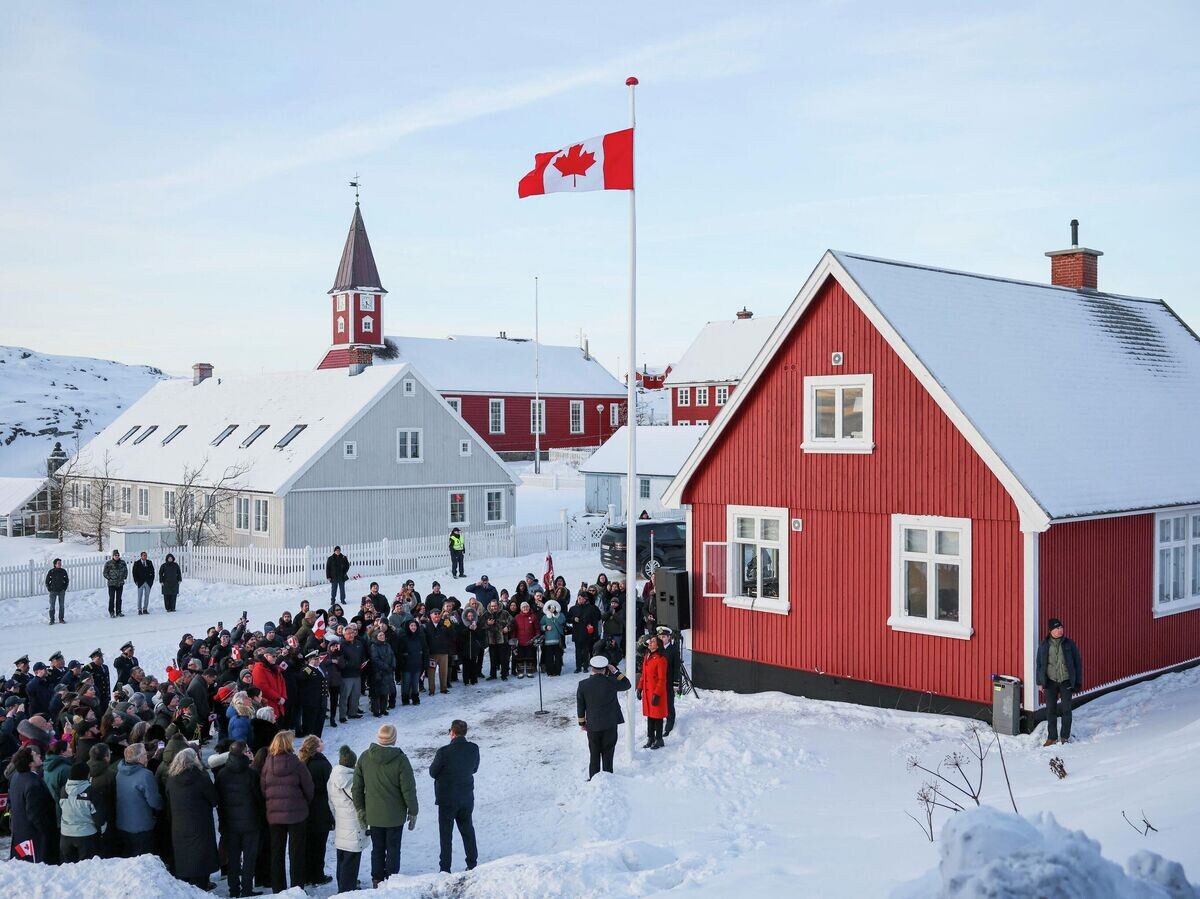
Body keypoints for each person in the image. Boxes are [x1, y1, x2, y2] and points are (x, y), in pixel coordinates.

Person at [353, 723, 418, 888]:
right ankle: (391, 879)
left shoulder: (365, 757)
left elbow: (357, 788)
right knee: (393, 848)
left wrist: (360, 809)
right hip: (395, 815)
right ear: (394, 739)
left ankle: (377, 879)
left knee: (377, 848)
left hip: (374, 814)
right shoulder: (401, 760)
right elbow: (408, 789)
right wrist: (413, 810)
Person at [260, 730, 314, 893]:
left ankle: (278, 888)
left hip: (274, 815)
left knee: (277, 852)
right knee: (296, 852)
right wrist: (304, 803)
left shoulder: (267, 764)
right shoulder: (297, 763)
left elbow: (263, 789)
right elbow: (308, 787)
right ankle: (297, 888)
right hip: (297, 814)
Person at [165, 747, 219, 890]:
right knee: (201, 855)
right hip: (200, 823)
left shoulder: (171, 779)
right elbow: (214, 799)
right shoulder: (201, 777)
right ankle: (202, 884)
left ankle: (187, 886)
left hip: (179, 824)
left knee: (184, 854)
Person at [429, 719, 479, 873]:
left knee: (446, 835)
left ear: (452, 732)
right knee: (467, 830)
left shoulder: (444, 752)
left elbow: (433, 772)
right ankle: (472, 862)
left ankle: (445, 868)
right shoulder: (473, 748)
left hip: (447, 799)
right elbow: (475, 768)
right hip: (466, 796)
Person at [215, 740, 262, 899]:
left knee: (233, 858)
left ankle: (233, 890)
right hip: (250, 822)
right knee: (249, 858)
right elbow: (258, 798)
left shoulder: (222, 774)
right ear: (242, 753)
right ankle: (247, 889)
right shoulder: (252, 774)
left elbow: (219, 801)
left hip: (229, 824)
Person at [576, 654, 632, 780]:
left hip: (593, 725)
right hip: (610, 724)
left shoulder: (583, 685)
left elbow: (581, 706)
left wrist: (582, 723)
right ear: (605, 668)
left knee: (594, 754)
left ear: (592, 668)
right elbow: (627, 684)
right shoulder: (611, 682)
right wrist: (615, 671)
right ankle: (608, 778)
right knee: (608, 753)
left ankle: (594, 779)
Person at [1035, 617, 1083, 747]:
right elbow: (1039, 664)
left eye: (1061, 627)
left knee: (1066, 710)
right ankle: (1052, 737)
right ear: (1050, 630)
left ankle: (1064, 737)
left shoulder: (1069, 644)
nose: (1060, 630)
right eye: (1057, 628)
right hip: (1050, 681)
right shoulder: (1044, 645)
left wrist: (1077, 682)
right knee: (1050, 710)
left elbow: (1077, 663)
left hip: (1065, 681)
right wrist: (1039, 682)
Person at [9, 745, 58, 863]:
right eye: (35, 755)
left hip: (20, 833)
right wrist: (47, 832)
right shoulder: (32, 784)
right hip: (35, 838)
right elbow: (35, 814)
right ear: (30, 763)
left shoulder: (16, 777)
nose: (39, 755)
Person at [330, 745, 368, 894]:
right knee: (351, 858)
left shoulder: (333, 776)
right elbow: (360, 798)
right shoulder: (351, 780)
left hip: (341, 821)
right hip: (353, 824)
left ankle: (343, 885)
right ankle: (347, 891)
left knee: (342, 857)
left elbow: (330, 801)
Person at [299, 735, 334, 887]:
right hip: (321, 809)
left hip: (305, 809)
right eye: (320, 741)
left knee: (307, 844)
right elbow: (331, 787)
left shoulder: (302, 763)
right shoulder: (323, 764)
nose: (323, 742)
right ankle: (317, 875)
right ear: (317, 747)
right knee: (319, 845)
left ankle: (306, 875)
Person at [116, 742, 161, 857]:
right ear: (140, 758)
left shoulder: (119, 773)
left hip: (122, 824)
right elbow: (154, 802)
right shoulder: (145, 775)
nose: (147, 757)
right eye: (145, 754)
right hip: (142, 826)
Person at [59, 760, 101, 862]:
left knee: (68, 870)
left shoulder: (63, 790)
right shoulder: (91, 791)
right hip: (86, 836)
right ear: (86, 775)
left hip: (65, 835)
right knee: (87, 869)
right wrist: (102, 830)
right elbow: (98, 815)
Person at [638, 635, 669, 749]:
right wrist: (640, 687)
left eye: (653, 641)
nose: (650, 643)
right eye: (650, 641)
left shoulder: (661, 659)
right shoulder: (647, 656)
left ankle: (659, 739)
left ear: (658, 644)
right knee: (650, 717)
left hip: (656, 693)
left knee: (657, 717)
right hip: (647, 692)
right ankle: (650, 738)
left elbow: (662, 679)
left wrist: (657, 694)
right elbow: (643, 675)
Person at [567, 592, 602, 673]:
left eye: (581, 598)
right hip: (577, 633)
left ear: (585, 599)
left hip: (587, 633)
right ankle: (578, 667)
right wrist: (573, 619)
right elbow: (567, 619)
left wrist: (595, 633)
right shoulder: (573, 608)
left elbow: (595, 620)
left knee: (586, 650)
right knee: (578, 651)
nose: (579, 599)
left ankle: (585, 666)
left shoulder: (591, 608)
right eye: (578, 597)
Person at [367, 627, 397, 717]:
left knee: (385, 692)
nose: (382, 636)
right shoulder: (374, 646)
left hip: (388, 672)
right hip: (378, 673)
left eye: (383, 635)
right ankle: (376, 711)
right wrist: (385, 666)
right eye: (380, 635)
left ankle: (383, 709)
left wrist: (393, 665)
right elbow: (375, 659)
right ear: (376, 637)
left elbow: (392, 655)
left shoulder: (387, 645)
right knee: (376, 693)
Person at [424, 609, 454, 696]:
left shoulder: (444, 623)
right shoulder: (427, 626)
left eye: (438, 614)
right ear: (430, 615)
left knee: (443, 672)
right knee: (431, 673)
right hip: (432, 653)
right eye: (435, 614)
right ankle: (431, 690)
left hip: (443, 652)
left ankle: (443, 688)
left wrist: (448, 621)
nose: (437, 615)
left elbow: (452, 634)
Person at [658, 626, 681, 737]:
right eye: (660, 636)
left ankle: (670, 721)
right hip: (659, 682)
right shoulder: (657, 649)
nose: (661, 638)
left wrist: (675, 683)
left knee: (669, 702)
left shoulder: (673, 650)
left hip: (669, 681)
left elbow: (676, 668)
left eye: (663, 637)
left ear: (668, 637)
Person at [483, 600, 512, 681]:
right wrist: (487, 624)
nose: (494, 608)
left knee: (503, 658)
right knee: (493, 659)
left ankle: (504, 675)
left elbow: (512, 622)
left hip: (502, 639)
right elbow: (481, 624)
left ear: (498, 606)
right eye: (492, 606)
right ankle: (493, 675)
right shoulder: (486, 614)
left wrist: (507, 628)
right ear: (490, 606)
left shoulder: (505, 613)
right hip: (491, 640)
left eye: (495, 606)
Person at [511, 602, 540, 678]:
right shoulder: (517, 617)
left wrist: (537, 636)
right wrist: (513, 640)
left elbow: (537, 628)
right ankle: (520, 672)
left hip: (530, 641)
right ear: (521, 608)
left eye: (526, 607)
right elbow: (514, 630)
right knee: (520, 657)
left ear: (529, 607)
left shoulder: (533, 616)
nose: (525, 608)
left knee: (529, 656)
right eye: (523, 607)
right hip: (520, 641)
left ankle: (529, 671)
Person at [540, 600, 567, 676]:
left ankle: (558, 671)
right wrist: (545, 627)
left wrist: (555, 613)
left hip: (558, 640)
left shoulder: (560, 615)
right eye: (550, 607)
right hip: (548, 641)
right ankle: (550, 671)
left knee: (558, 657)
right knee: (549, 657)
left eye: (553, 607)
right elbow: (540, 626)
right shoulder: (545, 617)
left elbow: (562, 621)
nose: (551, 609)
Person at [103, 549, 128, 618]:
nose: (117, 556)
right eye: (115, 555)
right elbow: (105, 573)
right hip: (112, 584)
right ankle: (111, 612)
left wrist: (124, 577)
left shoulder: (122, 563)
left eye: (118, 555)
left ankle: (118, 611)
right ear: (113, 556)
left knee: (119, 598)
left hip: (120, 583)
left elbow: (126, 570)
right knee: (112, 598)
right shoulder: (109, 563)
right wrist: (109, 578)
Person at [46, 558, 69, 626]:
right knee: (52, 606)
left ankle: (61, 619)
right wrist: (49, 589)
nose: (60, 564)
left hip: (61, 591)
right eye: (58, 563)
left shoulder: (63, 571)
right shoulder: (51, 571)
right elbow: (47, 581)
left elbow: (66, 580)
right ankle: (52, 620)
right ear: (55, 564)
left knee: (61, 605)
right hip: (53, 591)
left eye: (60, 563)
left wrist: (64, 588)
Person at [132, 551, 155, 616]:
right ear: (141, 556)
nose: (145, 556)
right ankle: (139, 609)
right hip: (140, 582)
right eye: (144, 555)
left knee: (147, 596)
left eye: (146, 555)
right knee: (140, 596)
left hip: (148, 582)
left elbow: (153, 572)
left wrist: (151, 581)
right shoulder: (137, 563)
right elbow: (134, 573)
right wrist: (136, 581)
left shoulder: (149, 562)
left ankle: (145, 609)